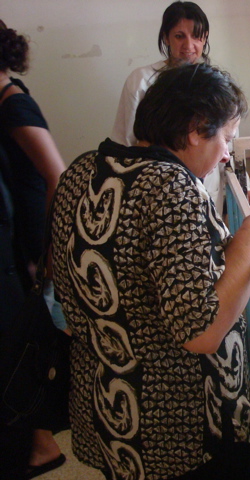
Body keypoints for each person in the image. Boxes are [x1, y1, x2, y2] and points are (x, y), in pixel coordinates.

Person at [52, 63, 250, 480]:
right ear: (195, 129)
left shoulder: (82, 170)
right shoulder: (171, 186)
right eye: (226, 139)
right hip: (178, 430)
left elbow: (75, 291)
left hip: (112, 407)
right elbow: (201, 332)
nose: (226, 153)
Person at [111, 1, 250, 212]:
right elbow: (125, 145)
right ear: (166, 37)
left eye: (196, 36)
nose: (188, 46)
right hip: (157, 189)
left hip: (209, 186)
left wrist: (245, 189)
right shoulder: (142, 81)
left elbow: (230, 144)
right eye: (179, 36)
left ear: (205, 37)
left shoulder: (217, 86)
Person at [0, 20, 68, 479]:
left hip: (30, 238)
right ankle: (39, 437)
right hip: (21, 237)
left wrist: (46, 250)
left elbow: (56, 175)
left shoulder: (14, 105)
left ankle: (39, 439)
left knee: (27, 341)